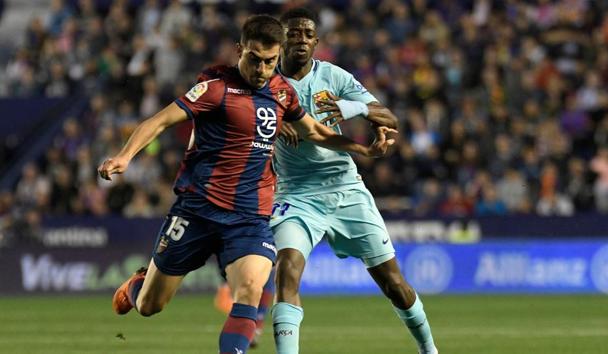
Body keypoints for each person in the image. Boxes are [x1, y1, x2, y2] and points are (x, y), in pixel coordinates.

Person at [98, 15, 395, 354]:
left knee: (251, 292)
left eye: (270, 61)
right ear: (240, 50)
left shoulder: (283, 93)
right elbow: (160, 120)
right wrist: (125, 156)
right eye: (254, 59)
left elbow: (313, 131)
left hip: (249, 218)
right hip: (197, 210)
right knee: (151, 305)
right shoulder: (215, 87)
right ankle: (138, 285)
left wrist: (362, 149)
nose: (262, 69)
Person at [270, 8, 438, 354]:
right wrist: (271, 121)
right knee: (287, 269)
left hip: (346, 190)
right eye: (293, 33)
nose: (300, 39)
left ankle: (429, 350)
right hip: (295, 195)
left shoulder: (333, 77)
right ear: (281, 39)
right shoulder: (264, 81)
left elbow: (388, 116)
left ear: (316, 41)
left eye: (307, 34)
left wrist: (355, 108)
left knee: (394, 284)